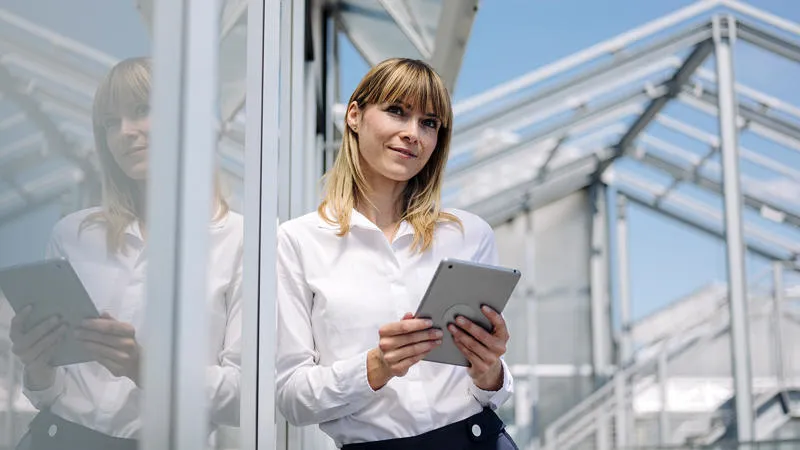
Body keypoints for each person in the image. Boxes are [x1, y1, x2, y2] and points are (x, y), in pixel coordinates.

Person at [275, 58, 518, 449]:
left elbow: (492, 391)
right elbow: (291, 399)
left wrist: (490, 369)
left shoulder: (468, 234)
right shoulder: (298, 241)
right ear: (354, 115)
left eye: (429, 123)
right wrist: (376, 366)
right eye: (396, 112)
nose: (413, 134)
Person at [8, 57, 243, 450]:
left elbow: (244, 398)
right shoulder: (74, 234)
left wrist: (144, 368)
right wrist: (37, 363)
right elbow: (49, 395)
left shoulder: (241, 240)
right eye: (110, 123)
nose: (124, 132)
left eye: (142, 111)